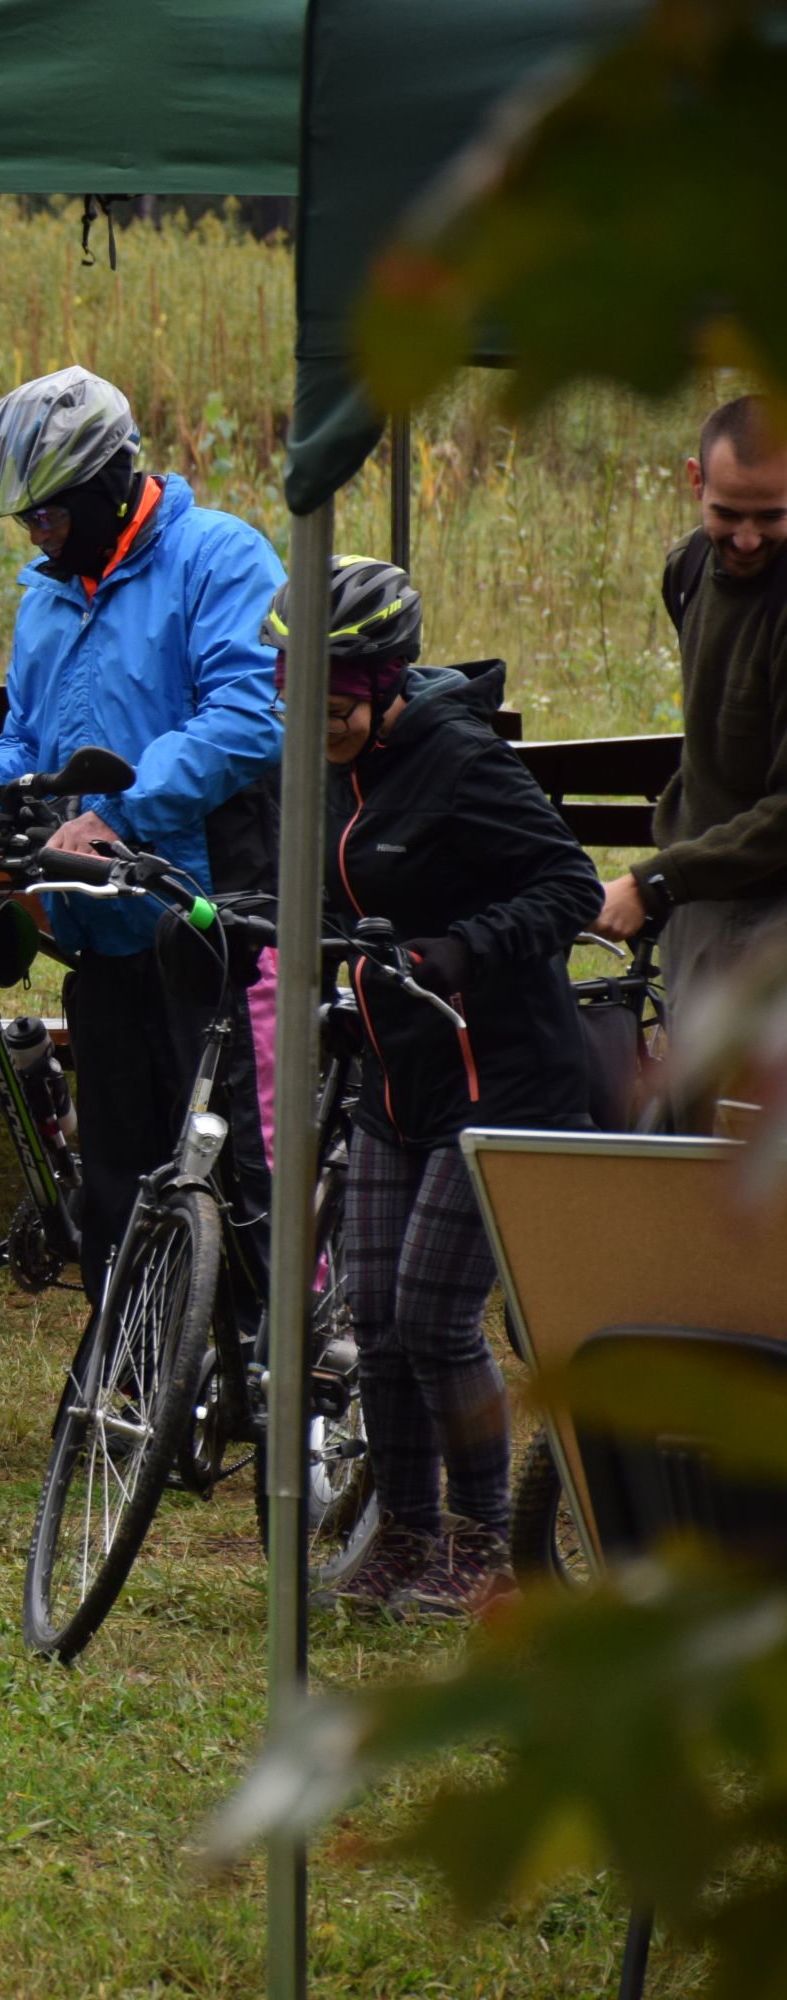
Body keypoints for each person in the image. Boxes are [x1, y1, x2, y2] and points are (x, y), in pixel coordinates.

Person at [272, 556, 600, 1621]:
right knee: (372, 1308)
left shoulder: (459, 760)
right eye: (296, 698)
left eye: (335, 703)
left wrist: (462, 948)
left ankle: (484, 1543)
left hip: (500, 1077)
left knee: (431, 1312)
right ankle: (404, 1535)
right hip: (397, 1075)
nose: (314, 722)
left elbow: (571, 885)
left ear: (384, 684)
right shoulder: (327, 767)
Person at [0, 366, 286, 1299]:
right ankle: (123, 1384)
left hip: (203, 918)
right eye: (24, 520)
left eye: (48, 513)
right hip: (97, 922)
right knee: (117, 1184)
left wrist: (125, 812)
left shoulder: (221, 558)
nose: (35, 535)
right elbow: (30, 735)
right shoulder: (48, 594)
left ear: (107, 483)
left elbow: (251, 717)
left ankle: (262, 1369)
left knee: (230, 1170)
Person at [595, 395, 787, 1043]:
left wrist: (653, 881)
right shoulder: (688, 567)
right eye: (727, 513)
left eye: (773, 516)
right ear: (694, 480)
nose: (748, 538)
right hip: (704, 893)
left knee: (738, 1132)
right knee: (688, 1123)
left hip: (769, 912)